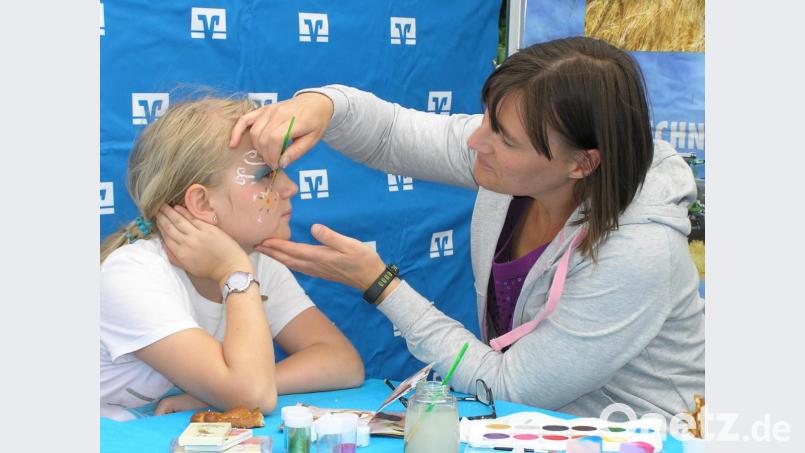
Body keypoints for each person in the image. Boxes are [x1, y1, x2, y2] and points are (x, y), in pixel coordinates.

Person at [173, 36, 704, 419]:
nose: (477, 143)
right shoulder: (506, 161)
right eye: (487, 119)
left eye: (506, 139)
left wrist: (380, 286)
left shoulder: (640, 250)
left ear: (581, 164)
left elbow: (512, 386)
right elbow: (390, 134)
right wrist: (322, 104)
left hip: (638, 434)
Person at [100, 97, 365, 421]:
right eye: (267, 174)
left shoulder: (259, 261)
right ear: (203, 203)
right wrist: (234, 272)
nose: (291, 187)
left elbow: (342, 362)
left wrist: (208, 395)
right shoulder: (132, 275)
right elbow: (254, 395)